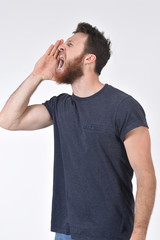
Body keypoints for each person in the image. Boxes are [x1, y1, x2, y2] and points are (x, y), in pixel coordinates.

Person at [0, 22, 156, 240]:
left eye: (70, 44)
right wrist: (37, 75)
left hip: (111, 233)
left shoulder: (124, 107)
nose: (61, 48)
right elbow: (8, 120)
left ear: (88, 58)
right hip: (66, 233)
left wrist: (139, 233)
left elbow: (145, 175)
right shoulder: (60, 106)